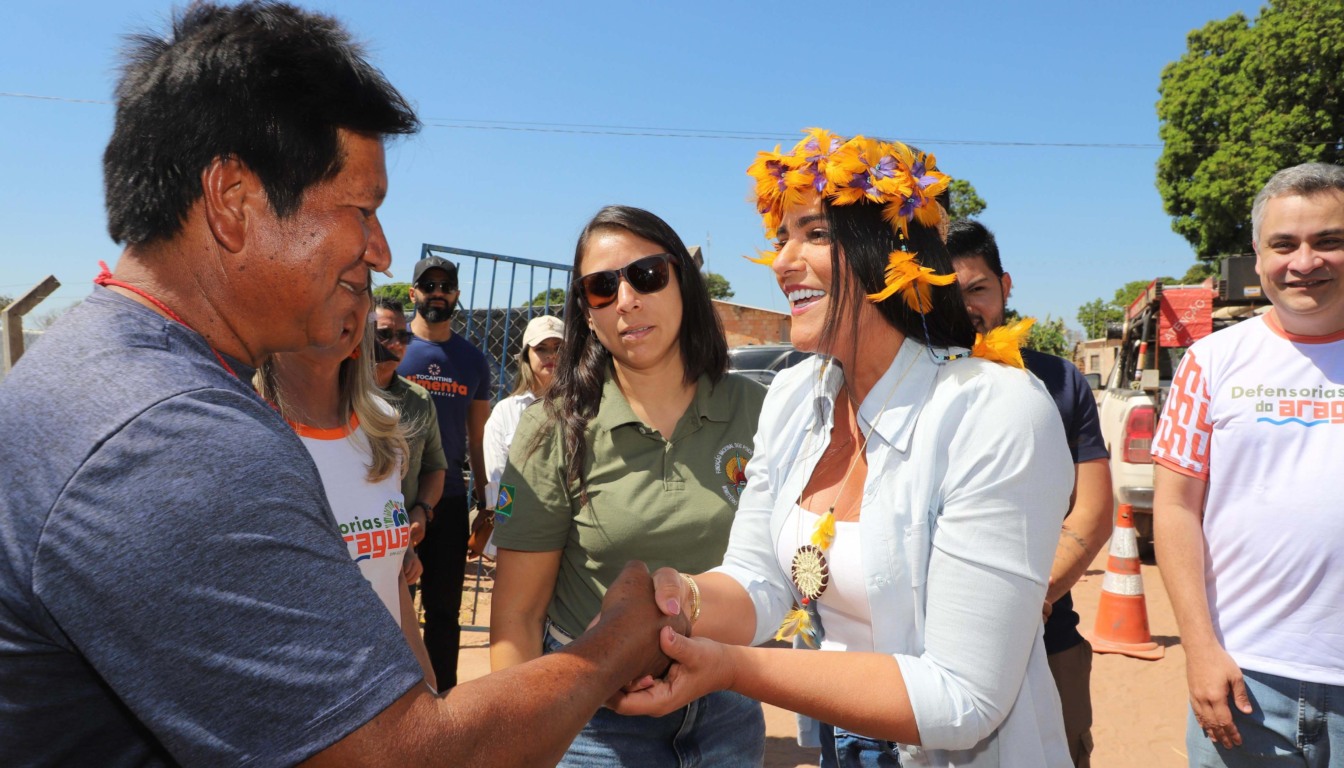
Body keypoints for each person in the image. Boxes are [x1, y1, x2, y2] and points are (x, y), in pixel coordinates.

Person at [0, 4, 681, 764]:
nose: (382, 251)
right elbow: (403, 758)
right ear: (234, 201)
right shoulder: (174, 439)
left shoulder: (98, 373)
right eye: (362, 209)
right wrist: (616, 644)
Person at [612, 130, 1075, 767]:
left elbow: (964, 699)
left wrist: (727, 669)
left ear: (888, 249)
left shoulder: (993, 410)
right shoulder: (796, 395)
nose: (781, 264)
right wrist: (681, 601)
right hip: (837, 747)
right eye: (783, 238)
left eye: (816, 234)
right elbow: (759, 580)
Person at [490, 205, 769, 766]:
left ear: (683, 284)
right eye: (600, 287)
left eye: (646, 275)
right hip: (593, 729)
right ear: (586, 313)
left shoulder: (762, 414)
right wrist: (525, 742)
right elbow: (517, 617)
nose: (626, 300)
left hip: (729, 712)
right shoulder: (552, 430)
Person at [1153, 162, 1344, 766]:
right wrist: (1200, 649)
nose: (1305, 261)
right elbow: (1176, 507)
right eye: (1284, 244)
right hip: (1245, 682)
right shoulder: (1211, 362)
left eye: (1330, 241)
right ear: (1256, 257)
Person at [948, 219, 1114, 768]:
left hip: (1048, 643)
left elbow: (1092, 513)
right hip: (930, 654)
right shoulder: (906, 382)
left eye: (978, 289)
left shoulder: (1061, 383)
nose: (966, 307)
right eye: (947, 293)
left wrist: (1029, 598)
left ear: (1005, 286)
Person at [255, 300, 437, 688]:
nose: (338, 299)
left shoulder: (384, 428)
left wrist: (428, 690)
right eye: (315, 278)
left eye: (356, 286)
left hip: (390, 699)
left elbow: (392, 588)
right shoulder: (242, 433)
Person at [396, 254, 493, 689]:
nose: (437, 293)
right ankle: (395, 699)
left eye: (445, 286)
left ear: (456, 295)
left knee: (444, 613)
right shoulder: (392, 349)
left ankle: (444, 698)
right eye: (428, 286)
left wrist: (485, 504)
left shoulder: (473, 361)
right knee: (392, 606)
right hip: (391, 501)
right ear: (413, 293)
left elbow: (479, 439)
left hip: (450, 501)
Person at [478, 313, 564, 557]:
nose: (550, 355)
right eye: (541, 348)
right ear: (527, 355)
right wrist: (509, 532)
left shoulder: (585, 408)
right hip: (523, 532)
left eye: (558, 347)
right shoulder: (505, 412)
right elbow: (499, 483)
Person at [374, 296, 446, 551]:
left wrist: (422, 509)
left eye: (403, 336)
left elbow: (435, 467)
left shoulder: (419, 399)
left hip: (400, 545)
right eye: (384, 334)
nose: (396, 344)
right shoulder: (334, 393)